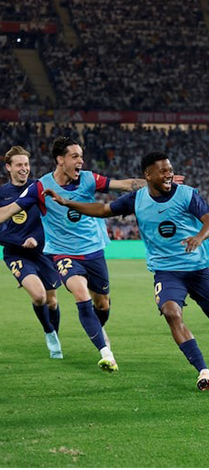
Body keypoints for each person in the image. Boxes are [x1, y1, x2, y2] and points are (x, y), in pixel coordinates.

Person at [44, 152, 209, 391]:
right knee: (171, 312)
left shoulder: (187, 194)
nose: (169, 174)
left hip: (197, 268)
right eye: (163, 170)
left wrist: (199, 237)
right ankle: (204, 372)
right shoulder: (136, 199)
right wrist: (68, 203)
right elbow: (103, 209)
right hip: (166, 271)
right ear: (148, 175)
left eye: (170, 169)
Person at [0, 136, 149, 373]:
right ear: (61, 160)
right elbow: (8, 211)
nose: (81, 160)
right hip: (61, 253)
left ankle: (97, 331)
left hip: (92, 250)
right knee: (77, 295)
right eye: (75, 156)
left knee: (101, 304)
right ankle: (104, 352)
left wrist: (154, 181)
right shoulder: (41, 187)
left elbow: (124, 184)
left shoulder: (89, 179)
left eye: (81, 156)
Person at [1, 146, 63, 359]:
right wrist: (21, 240)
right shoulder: (2, 195)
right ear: (8, 167)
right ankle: (49, 333)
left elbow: (51, 220)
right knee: (38, 296)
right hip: (16, 253)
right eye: (19, 165)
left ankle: (56, 335)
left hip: (44, 251)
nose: (24, 169)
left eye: (26, 164)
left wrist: (36, 239)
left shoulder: (39, 189)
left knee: (52, 301)